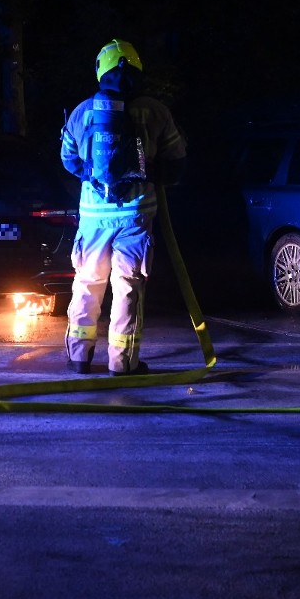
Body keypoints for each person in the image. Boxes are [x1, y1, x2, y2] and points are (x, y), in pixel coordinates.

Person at [59, 39, 187, 376]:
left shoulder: (83, 111)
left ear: (101, 69)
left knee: (87, 283)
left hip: (92, 217)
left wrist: (93, 177)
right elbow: (176, 161)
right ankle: (123, 362)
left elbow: (68, 159)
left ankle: (78, 358)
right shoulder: (155, 111)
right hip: (135, 215)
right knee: (128, 287)